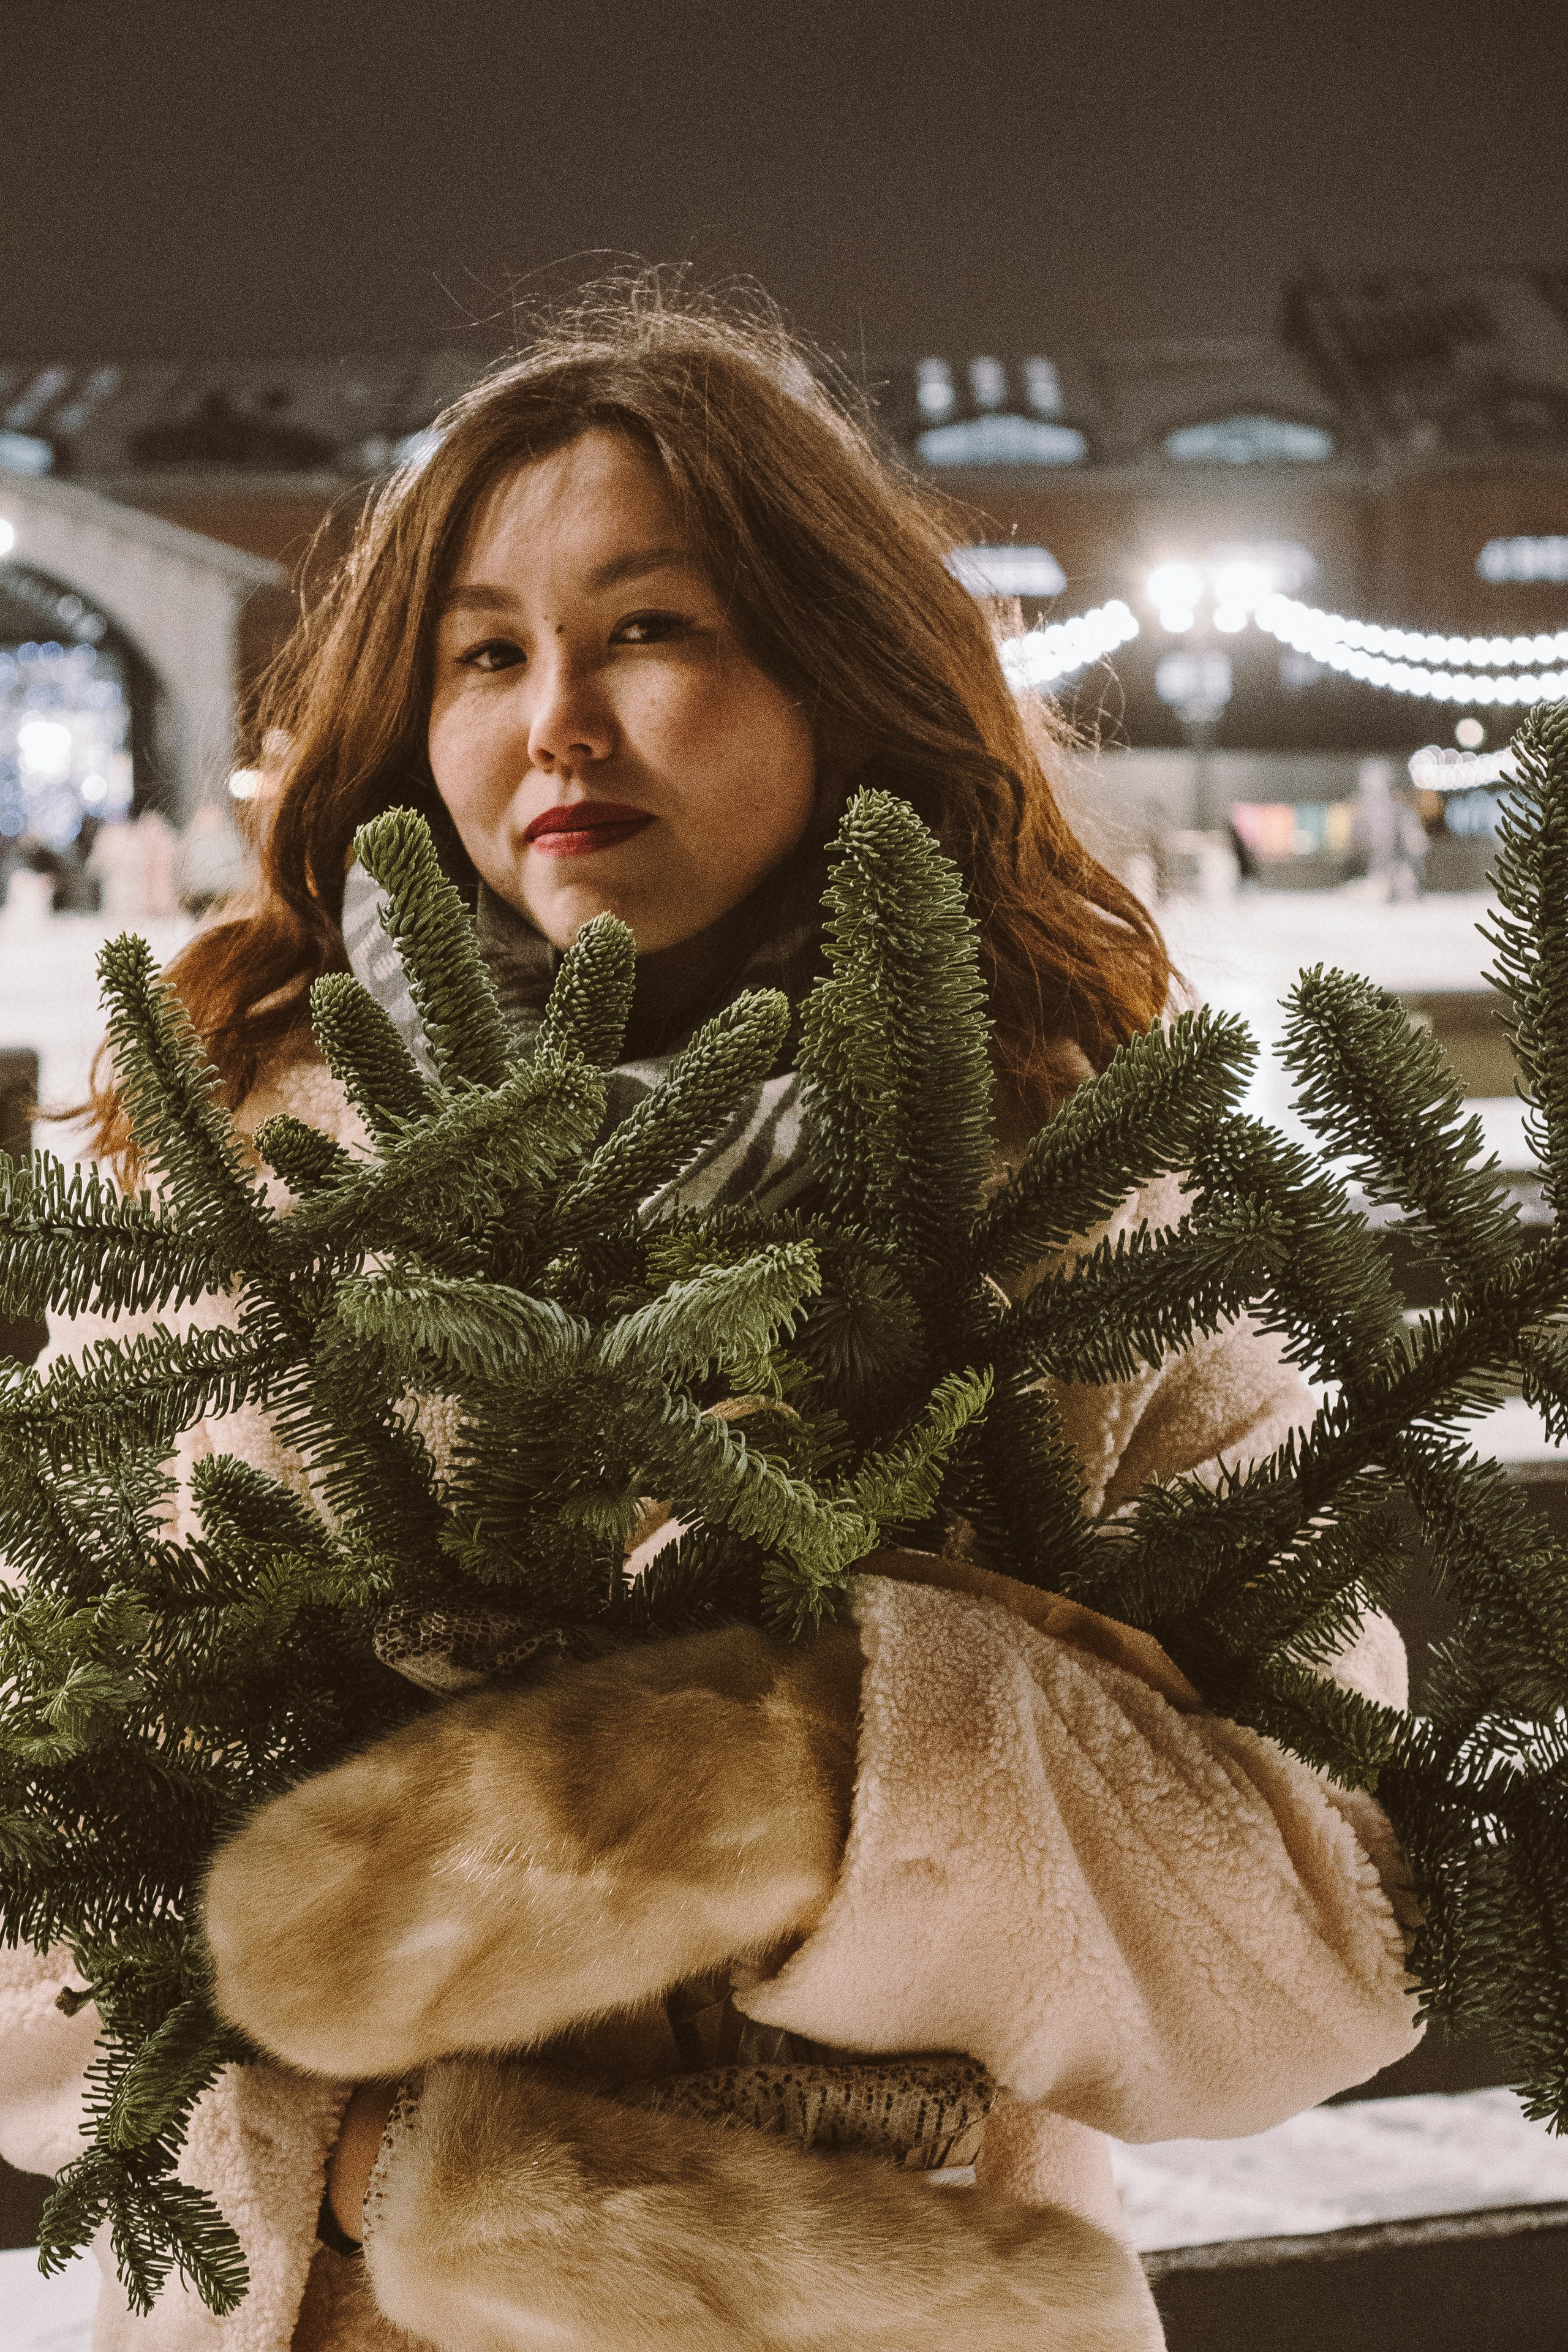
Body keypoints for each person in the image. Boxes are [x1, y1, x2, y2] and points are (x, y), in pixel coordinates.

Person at [0, 287, 1419, 2352]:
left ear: (838, 675)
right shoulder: (246, 1205)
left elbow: (1319, 1929)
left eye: (650, 628)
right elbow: (37, 1868)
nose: (557, 721)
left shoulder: (1083, 1211)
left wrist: (793, 1778)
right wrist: (429, 2181)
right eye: (488, 653)